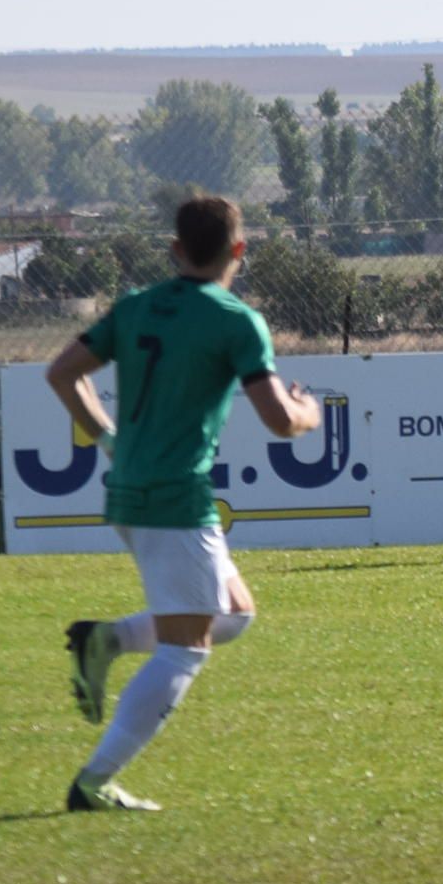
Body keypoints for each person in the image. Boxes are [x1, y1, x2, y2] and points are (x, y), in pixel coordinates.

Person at [49, 192, 319, 812]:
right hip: (175, 498)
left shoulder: (136, 307)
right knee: (185, 647)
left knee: (235, 612)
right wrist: (308, 412)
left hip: (132, 491)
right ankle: (94, 784)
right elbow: (280, 419)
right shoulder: (234, 319)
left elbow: (62, 372)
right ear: (239, 252)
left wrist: (108, 439)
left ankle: (107, 640)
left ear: (174, 249)